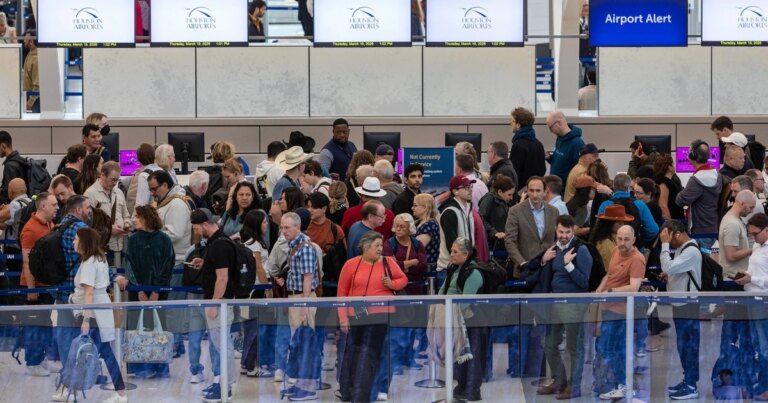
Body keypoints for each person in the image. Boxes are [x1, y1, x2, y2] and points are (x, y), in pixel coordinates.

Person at [337, 231, 407, 403]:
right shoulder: (351, 264)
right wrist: (343, 318)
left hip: (381, 315)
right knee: (354, 351)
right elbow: (341, 293)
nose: (380, 249)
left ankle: (369, 390)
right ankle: (351, 389)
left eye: (380, 245)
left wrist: (392, 284)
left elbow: (403, 279)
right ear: (365, 247)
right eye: (376, 245)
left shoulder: (388, 262)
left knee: (372, 352)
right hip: (356, 314)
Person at [536, 215, 592, 399]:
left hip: (573, 304)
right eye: (561, 232)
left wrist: (568, 265)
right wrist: (544, 260)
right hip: (554, 303)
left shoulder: (581, 250)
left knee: (574, 346)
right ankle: (559, 380)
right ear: (556, 229)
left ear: (573, 230)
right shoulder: (554, 249)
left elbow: (584, 282)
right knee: (550, 344)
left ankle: (574, 386)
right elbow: (545, 273)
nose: (564, 236)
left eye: (568, 232)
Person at [70, 227, 127, 403]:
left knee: (80, 351)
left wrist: (86, 319)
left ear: (84, 241)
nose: (74, 241)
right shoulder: (100, 260)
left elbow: (88, 293)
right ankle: (120, 392)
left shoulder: (88, 263)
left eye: (76, 238)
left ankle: (72, 390)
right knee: (103, 352)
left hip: (91, 312)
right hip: (100, 310)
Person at [187, 208, 237, 402]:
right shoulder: (217, 242)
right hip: (219, 301)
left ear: (205, 224)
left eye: (196, 228)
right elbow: (218, 269)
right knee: (220, 344)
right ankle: (222, 383)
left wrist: (214, 304)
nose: (196, 232)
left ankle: (226, 386)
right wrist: (205, 262)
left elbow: (223, 278)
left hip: (220, 302)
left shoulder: (219, 245)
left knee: (223, 345)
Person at [123, 205, 175, 378]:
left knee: (158, 326)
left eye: (137, 216)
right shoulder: (133, 240)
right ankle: (137, 365)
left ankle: (159, 365)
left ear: (146, 217)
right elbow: (129, 265)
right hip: (136, 293)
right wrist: (139, 290)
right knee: (136, 327)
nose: (134, 219)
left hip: (159, 293)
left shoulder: (164, 239)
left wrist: (156, 291)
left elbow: (168, 266)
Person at [595, 225, 645, 400]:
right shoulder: (616, 251)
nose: (622, 243)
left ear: (633, 240)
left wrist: (610, 292)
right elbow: (609, 275)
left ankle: (624, 385)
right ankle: (619, 384)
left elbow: (633, 288)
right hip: (608, 308)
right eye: (620, 239)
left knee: (615, 349)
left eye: (626, 240)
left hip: (621, 313)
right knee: (608, 348)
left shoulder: (637, 259)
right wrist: (599, 291)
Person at [275, 212, 320, 401]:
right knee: (298, 341)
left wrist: (304, 305)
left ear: (297, 227)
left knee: (305, 341)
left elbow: (308, 277)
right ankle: (300, 383)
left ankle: (306, 386)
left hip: (303, 298)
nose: (283, 231)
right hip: (296, 298)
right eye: (282, 227)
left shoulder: (305, 248)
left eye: (287, 228)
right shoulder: (294, 245)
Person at [439, 237, 487, 401]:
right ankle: (461, 386)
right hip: (454, 320)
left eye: (455, 251)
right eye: (451, 251)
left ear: (466, 254)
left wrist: (449, 314)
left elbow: (465, 301)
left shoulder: (474, 273)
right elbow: (443, 290)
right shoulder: (454, 269)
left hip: (470, 321)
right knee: (459, 356)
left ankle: (472, 389)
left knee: (472, 355)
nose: (451, 254)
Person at [659, 220, 702, 400]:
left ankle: (692, 385)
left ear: (676, 234)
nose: (668, 242)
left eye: (668, 237)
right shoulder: (682, 249)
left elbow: (667, 266)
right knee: (683, 346)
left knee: (689, 346)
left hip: (688, 305)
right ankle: (688, 380)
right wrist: (669, 276)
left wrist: (664, 245)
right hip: (680, 304)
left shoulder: (691, 250)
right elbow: (673, 270)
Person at [19, 192, 57, 377]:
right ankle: (32, 362)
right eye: (54, 204)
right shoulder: (30, 229)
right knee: (34, 324)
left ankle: (41, 359)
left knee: (44, 322)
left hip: (46, 283)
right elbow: (27, 262)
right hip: (34, 285)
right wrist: (31, 290)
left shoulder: (50, 224)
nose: (57, 207)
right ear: (43, 206)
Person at [736, 213, 768, 400]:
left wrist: (752, 279)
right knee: (757, 345)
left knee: (764, 346)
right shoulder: (758, 245)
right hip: (752, 300)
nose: (753, 237)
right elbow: (754, 268)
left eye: (755, 234)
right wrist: (745, 275)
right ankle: (762, 382)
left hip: (764, 302)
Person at [238, 209, 272, 377]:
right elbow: (259, 267)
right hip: (256, 289)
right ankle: (251, 365)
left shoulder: (246, 240)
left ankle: (246, 363)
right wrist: (267, 287)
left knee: (250, 327)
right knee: (254, 328)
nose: (266, 224)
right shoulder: (255, 244)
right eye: (264, 222)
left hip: (250, 289)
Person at [676, 139, 722, 252]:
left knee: (700, 266)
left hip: (700, 231)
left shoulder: (696, 180)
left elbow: (680, 200)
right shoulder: (717, 174)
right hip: (712, 228)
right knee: (704, 263)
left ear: (693, 155)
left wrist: (683, 190)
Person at [504, 176, 559, 271]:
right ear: (527, 191)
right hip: (525, 269)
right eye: (531, 190)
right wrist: (522, 262)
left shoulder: (554, 211)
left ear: (545, 192)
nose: (534, 194)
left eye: (538, 191)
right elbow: (509, 241)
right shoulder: (515, 211)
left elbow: (557, 237)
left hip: (548, 267)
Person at [597, 173, 660, 248]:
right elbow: (653, 230)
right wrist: (639, 238)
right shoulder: (640, 204)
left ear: (614, 187)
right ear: (630, 188)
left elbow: (598, 229)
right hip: (635, 248)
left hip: (611, 249)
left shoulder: (605, 205)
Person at [83, 161, 131, 254]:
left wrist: (127, 224)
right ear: (102, 175)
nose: (114, 183)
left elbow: (126, 215)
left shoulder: (119, 192)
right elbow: (87, 223)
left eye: (117, 180)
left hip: (121, 246)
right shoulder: (90, 194)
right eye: (112, 179)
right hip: (102, 248)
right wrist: (109, 229)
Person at [437, 176, 478, 276]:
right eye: (466, 187)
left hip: (464, 265)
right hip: (450, 268)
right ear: (455, 191)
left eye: (470, 186)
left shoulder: (467, 209)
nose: (470, 190)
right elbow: (451, 244)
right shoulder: (450, 212)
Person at [479, 175, 516, 258]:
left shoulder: (504, 202)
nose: (511, 198)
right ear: (500, 192)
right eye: (509, 194)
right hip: (492, 245)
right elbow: (480, 219)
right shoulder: (489, 200)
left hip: (501, 244)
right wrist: (494, 232)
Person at [546, 111, 585, 189]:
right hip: (554, 189)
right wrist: (549, 157)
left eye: (551, 127)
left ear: (558, 123)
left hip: (566, 190)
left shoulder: (577, 143)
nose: (550, 131)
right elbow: (561, 161)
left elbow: (580, 171)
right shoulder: (559, 139)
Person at [509, 107, 546, 189]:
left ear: (518, 125)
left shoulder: (518, 145)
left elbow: (515, 172)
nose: (511, 123)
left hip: (522, 191)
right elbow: (542, 169)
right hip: (536, 188)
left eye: (513, 121)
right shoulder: (538, 144)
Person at [127, 143, 162, 214]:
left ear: (138, 159)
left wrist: (133, 222)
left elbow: (141, 204)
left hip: (148, 217)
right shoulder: (161, 170)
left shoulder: (143, 176)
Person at [413, 193, 441, 269]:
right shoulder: (419, 222)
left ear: (425, 207)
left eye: (415, 205)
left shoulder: (430, 224)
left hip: (427, 270)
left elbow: (415, 248)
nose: (412, 208)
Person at [653, 154, 685, 221]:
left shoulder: (670, 181)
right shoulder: (664, 182)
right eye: (673, 164)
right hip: (674, 221)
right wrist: (671, 224)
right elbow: (663, 206)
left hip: (677, 218)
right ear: (669, 167)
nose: (674, 166)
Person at [0, 130, 28, 204]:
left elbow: (8, 193)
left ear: (3, 146)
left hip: (13, 207)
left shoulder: (10, 165)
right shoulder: (20, 161)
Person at [22, 29, 39, 113]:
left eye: (25, 38)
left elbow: (37, 84)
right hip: (28, 95)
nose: (24, 40)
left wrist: (30, 101)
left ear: (31, 41)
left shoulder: (36, 59)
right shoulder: (30, 53)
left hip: (35, 100)